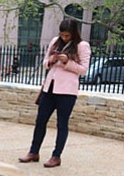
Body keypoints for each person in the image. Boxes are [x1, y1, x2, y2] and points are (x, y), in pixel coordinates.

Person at [18, 19, 91, 168]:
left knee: (61, 124)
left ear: (73, 33)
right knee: (40, 121)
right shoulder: (55, 42)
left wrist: (67, 61)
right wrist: (53, 59)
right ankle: (33, 152)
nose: (64, 38)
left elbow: (83, 70)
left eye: (67, 35)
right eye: (62, 34)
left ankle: (56, 156)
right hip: (50, 88)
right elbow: (45, 63)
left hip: (67, 91)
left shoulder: (82, 46)